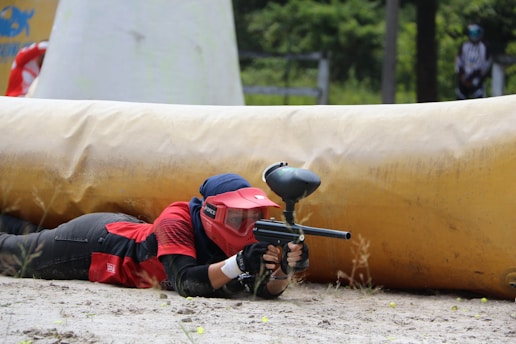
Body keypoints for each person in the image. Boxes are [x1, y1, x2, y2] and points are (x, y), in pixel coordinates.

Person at [0, 173, 309, 299]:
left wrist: (284, 269)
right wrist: (240, 262)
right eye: (240, 216)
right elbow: (187, 283)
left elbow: (264, 291)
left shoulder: (249, 240)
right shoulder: (175, 221)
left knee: (28, 233)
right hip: (95, 246)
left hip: (115, 230)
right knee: (11, 254)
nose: (250, 224)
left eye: (256, 216)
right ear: (213, 212)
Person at [454, 24, 492, 100]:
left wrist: (472, 77)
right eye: (472, 33)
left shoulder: (484, 47)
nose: (474, 36)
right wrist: (462, 75)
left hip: (476, 79)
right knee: (460, 99)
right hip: (463, 79)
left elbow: (485, 64)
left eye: (476, 33)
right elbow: (458, 61)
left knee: (479, 99)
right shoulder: (464, 46)